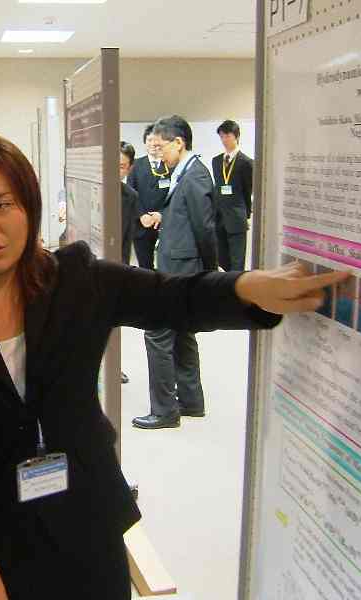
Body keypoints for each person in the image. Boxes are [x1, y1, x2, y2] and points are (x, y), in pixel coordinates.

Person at [0, 131, 348, 598]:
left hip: (87, 521)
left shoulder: (76, 282)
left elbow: (174, 297)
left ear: (28, 205)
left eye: (2, 204)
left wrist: (247, 287)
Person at [133, 115, 219, 430]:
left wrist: (209, 274)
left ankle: (165, 410)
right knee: (182, 332)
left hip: (182, 270)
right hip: (177, 265)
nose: (158, 154)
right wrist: (165, 216)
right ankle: (192, 401)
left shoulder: (195, 175)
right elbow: (186, 215)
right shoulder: (184, 173)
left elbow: (205, 229)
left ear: (179, 143)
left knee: (156, 333)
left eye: (161, 146)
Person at [127, 124, 172, 270]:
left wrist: (162, 214)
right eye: (149, 140)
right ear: (145, 142)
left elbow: (174, 194)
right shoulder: (135, 165)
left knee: (167, 265)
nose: (153, 144)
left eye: (156, 140)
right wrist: (142, 215)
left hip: (164, 223)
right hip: (142, 224)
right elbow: (131, 192)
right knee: (145, 267)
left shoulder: (170, 165)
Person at [212, 120, 253, 271]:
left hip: (236, 217)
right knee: (221, 261)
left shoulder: (246, 162)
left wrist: (246, 215)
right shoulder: (216, 161)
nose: (224, 140)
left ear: (236, 136)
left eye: (227, 136)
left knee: (237, 261)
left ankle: (237, 285)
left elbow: (247, 191)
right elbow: (217, 187)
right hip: (219, 217)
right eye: (222, 136)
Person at [119, 142, 139, 384]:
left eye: (122, 166)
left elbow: (127, 239)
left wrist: (123, 271)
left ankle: (114, 364)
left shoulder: (130, 196)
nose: (117, 170)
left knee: (114, 320)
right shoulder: (93, 188)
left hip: (115, 266)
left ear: (130, 168)